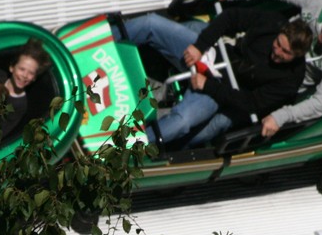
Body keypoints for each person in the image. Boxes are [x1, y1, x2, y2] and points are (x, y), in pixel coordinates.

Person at [121, 9, 311, 147]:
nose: (276, 52)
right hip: (211, 53)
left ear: (297, 55)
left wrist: (208, 86)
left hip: (219, 90)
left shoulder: (291, 80)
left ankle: (127, 142)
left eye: (285, 52)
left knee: (182, 121)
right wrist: (200, 46)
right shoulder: (273, 22)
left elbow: (251, 102)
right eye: (278, 44)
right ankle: (107, 39)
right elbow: (230, 17)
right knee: (152, 23)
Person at [210, 0, 322, 138]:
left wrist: (281, 116)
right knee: (203, 31)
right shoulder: (320, 2)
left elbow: (321, 103)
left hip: (273, 87)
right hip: (262, 51)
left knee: (221, 122)